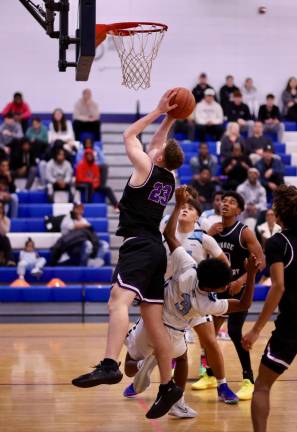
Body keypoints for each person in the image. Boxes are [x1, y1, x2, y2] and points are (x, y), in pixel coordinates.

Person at [71, 90, 185, 420]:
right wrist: (171, 117)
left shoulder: (146, 167)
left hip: (138, 245)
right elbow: (159, 141)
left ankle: (109, 364)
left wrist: (156, 111)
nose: (153, 145)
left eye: (157, 148)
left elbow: (127, 134)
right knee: (153, 322)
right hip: (156, 251)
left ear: (158, 156)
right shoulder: (170, 176)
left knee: (116, 302)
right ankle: (168, 386)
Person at [122, 188, 259, 415]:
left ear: (198, 218)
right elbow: (242, 303)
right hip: (193, 302)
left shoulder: (200, 239)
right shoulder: (168, 236)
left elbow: (222, 262)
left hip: (169, 301)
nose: (186, 209)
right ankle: (175, 397)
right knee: (180, 353)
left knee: (209, 343)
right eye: (183, 208)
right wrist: (246, 277)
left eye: (190, 209)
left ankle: (221, 384)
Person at [242, 185, 297, 432]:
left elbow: (278, 287)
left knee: (262, 385)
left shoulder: (278, 242)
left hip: (292, 324)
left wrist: (255, 330)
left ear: (278, 213)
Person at [211, 191, 265, 401]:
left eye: (231, 202)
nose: (226, 204)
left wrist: (241, 281)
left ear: (239, 210)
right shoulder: (214, 230)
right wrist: (207, 232)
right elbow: (199, 251)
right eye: (224, 201)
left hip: (240, 289)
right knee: (210, 333)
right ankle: (208, 374)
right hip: (219, 288)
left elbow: (261, 260)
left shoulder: (245, 232)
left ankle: (248, 379)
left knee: (234, 330)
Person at [0, 202, 14, 266]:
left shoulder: (7, 220)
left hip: (2, 239)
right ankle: (7, 259)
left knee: (5, 238)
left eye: (0, 208)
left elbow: (5, 232)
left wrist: (0, 221)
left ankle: (8, 260)